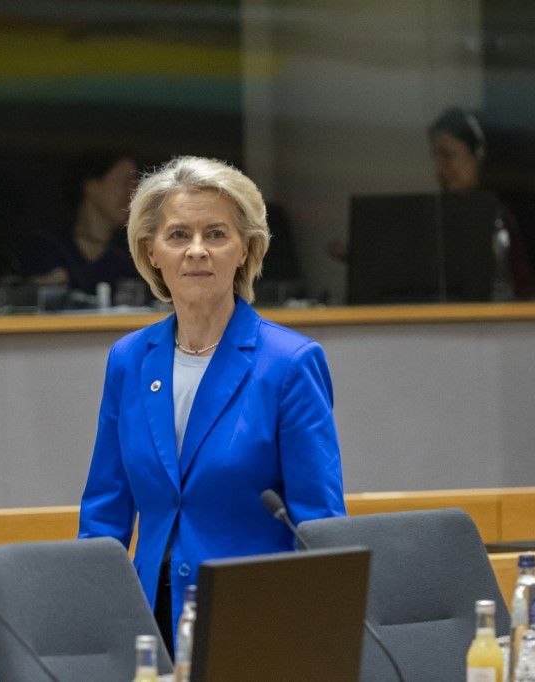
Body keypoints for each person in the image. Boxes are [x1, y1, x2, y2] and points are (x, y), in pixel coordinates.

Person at [77, 156, 346, 653]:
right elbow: (104, 513)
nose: (197, 250)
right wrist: (95, 633)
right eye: (178, 235)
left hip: (256, 620)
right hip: (149, 620)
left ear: (245, 249)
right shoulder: (129, 360)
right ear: (151, 251)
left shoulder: (289, 364)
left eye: (216, 234)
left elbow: (319, 525)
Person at [428, 107, 535, 299]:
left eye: (447, 156)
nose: (440, 169)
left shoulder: (504, 216)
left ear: (477, 155)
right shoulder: (436, 217)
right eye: (435, 158)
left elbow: (521, 288)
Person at [17, 152, 141, 296]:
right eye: (124, 181)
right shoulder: (48, 249)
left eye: (136, 183)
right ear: (91, 187)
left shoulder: (133, 255)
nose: (133, 191)